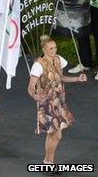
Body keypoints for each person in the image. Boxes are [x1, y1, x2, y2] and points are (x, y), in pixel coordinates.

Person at [27, 35, 87, 166]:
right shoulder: (38, 65)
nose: (54, 51)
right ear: (44, 49)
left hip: (59, 101)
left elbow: (61, 78)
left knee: (56, 135)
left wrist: (77, 79)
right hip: (47, 103)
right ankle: (48, 162)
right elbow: (31, 87)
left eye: (55, 48)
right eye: (51, 49)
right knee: (54, 134)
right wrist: (35, 96)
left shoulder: (59, 59)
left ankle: (48, 161)